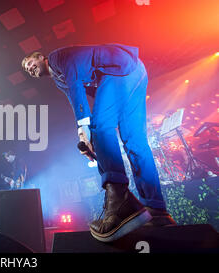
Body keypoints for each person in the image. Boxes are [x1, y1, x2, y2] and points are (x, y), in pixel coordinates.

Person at [22, 44, 176, 242]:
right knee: (135, 142)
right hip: (133, 73)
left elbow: (77, 87)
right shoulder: (59, 82)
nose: (29, 69)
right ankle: (156, 210)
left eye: (30, 63)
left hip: (118, 69)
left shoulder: (56, 58)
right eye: (27, 69)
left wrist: (89, 129)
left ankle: (120, 199)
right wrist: (84, 136)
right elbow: (76, 98)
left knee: (100, 127)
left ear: (40, 57)